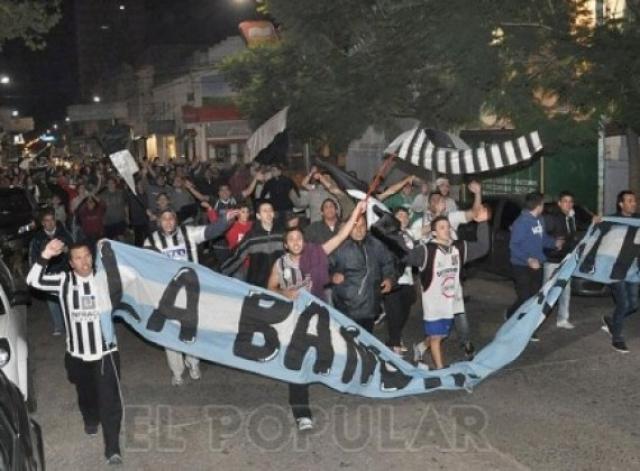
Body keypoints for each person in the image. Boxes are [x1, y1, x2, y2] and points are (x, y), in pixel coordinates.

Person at [267, 201, 366, 431]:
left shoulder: (316, 253)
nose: (296, 242)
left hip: (318, 317)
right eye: (291, 240)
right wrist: (284, 292)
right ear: (285, 244)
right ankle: (302, 413)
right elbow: (269, 287)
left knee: (328, 353)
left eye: (299, 239)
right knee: (297, 364)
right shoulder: (280, 264)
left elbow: (341, 236)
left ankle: (351, 380)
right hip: (292, 322)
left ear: (305, 241)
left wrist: (356, 212)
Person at [27, 239, 123, 465]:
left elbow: (131, 280)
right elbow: (32, 280)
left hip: (106, 352)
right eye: (78, 258)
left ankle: (113, 448)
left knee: (110, 401)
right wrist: (46, 254)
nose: (84, 261)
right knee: (86, 394)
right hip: (78, 355)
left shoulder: (104, 279)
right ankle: (90, 418)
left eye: (87, 256)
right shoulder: (64, 282)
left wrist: (108, 252)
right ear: (70, 263)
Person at [144, 207, 239, 386]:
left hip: (191, 291)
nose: (168, 222)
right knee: (170, 332)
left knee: (191, 328)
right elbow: (147, 266)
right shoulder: (150, 241)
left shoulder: (188, 233)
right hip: (166, 293)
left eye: (171, 217)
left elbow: (210, 231)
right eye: (164, 219)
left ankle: (193, 363)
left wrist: (224, 220)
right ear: (158, 222)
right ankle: (177, 371)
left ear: (176, 220)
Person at [409, 211, 490, 369]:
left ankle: (419, 348)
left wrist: (482, 223)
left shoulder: (458, 248)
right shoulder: (426, 251)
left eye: (447, 226)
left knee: (439, 335)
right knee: (437, 337)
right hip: (433, 304)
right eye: (441, 227)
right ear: (434, 233)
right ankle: (441, 370)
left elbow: (483, 247)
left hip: (451, 302)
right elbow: (405, 255)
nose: (446, 229)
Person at [506, 192, 562, 341]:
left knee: (533, 298)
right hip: (521, 265)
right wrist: (528, 259)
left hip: (538, 265)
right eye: (543, 204)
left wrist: (554, 243)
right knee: (525, 298)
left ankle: (513, 316)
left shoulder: (540, 220)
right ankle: (520, 326)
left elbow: (542, 239)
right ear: (538, 205)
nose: (544, 206)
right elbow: (514, 246)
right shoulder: (521, 222)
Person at [329, 213, 396, 332]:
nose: (359, 230)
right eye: (355, 226)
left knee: (366, 340)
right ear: (348, 227)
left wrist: (389, 278)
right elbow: (322, 267)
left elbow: (388, 263)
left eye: (362, 225)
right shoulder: (338, 246)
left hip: (370, 304)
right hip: (346, 307)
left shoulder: (376, 244)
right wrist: (331, 276)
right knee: (348, 343)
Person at [543, 191, 592, 330]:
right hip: (552, 259)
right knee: (546, 291)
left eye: (571, 202)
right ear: (559, 203)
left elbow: (574, 235)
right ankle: (536, 319)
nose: (568, 204)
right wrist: (553, 243)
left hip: (567, 259)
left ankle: (563, 319)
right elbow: (542, 236)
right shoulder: (552, 217)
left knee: (565, 290)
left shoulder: (571, 217)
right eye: (565, 201)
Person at [602, 190, 639, 353]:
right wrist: (597, 222)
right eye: (629, 201)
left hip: (633, 269)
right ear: (621, 204)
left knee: (633, 304)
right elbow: (597, 237)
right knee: (623, 303)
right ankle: (616, 338)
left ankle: (611, 320)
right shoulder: (611, 221)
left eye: (634, 201)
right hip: (615, 269)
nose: (634, 203)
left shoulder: (638, 220)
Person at [28, 208, 74, 335]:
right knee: (53, 303)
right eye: (47, 221)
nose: (50, 223)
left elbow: (75, 250)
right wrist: (38, 274)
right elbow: (33, 258)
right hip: (48, 275)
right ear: (42, 223)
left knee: (68, 300)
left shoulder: (64, 234)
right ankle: (59, 327)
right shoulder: (37, 239)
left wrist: (67, 250)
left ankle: (71, 326)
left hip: (64, 273)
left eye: (52, 220)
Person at [221, 201, 285, 287]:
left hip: (279, 281)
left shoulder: (281, 233)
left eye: (270, 210)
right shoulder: (252, 236)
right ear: (258, 216)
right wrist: (220, 273)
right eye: (265, 211)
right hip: (258, 282)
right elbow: (237, 256)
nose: (268, 213)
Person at [383, 207, 417, 354]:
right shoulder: (388, 235)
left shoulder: (410, 234)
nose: (403, 218)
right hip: (393, 280)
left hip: (408, 279)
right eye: (400, 215)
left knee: (404, 311)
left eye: (405, 216)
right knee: (394, 312)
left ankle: (394, 337)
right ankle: (394, 344)